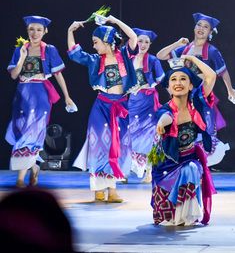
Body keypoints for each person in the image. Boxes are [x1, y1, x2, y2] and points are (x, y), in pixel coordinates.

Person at [67, 16, 138, 202]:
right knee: (99, 145)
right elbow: (74, 54)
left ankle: (112, 190)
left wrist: (115, 21)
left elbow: (133, 37)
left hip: (121, 107)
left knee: (118, 146)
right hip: (101, 107)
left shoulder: (125, 56)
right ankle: (98, 188)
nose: (94, 46)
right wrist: (70, 31)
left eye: (96, 42)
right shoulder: (95, 60)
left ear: (107, 41)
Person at [157, 12, 235, 166]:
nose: (201, 28)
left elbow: (222, 71)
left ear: (210, 32)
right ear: (194, 28)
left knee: (203, 127)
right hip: (183, 94)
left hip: (201, 94)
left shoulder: (212, 51)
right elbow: (161, 55)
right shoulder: (184, 49)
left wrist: (230, 89)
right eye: (199, 25)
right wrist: (177, 44)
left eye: (205, 27)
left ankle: (200, 163)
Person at [6, 15, 76, 188]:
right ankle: (35, 167)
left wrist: (67, 96)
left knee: (32, 132)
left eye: (39, 29)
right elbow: (14, 75)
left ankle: (20, 178)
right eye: (31, 29)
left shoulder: (50, 50)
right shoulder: (20, 49)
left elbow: (58, 74)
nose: (35, 33)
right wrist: (22, 57)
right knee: (20, 132)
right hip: (22, 95)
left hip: (40, 95)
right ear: (27, 31)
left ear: (45, 31)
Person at [151, 55, 216, 226]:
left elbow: (211, 76)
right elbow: (166, 117)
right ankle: (174, 213)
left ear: (191, 85)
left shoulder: (196, 103)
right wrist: (162, 122)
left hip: (190, 158)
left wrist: (192, 59)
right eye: (173, 79)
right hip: (167, 164)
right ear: (168, 87)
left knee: (191, 168)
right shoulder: (164, 110)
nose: (178, 82)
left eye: (183, 78)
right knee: (166, 219)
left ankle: (187, 215)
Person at [128, 28, 165, 182]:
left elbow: (161, 79)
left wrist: (145, 86)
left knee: (150, 135)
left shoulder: (153, 60)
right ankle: (126, 170)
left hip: (148, 101)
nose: (143, 44)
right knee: (130, 134)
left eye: (146, 42)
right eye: (140, 41)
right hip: (132, 101)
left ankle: (149, 171)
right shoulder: (128, 58)